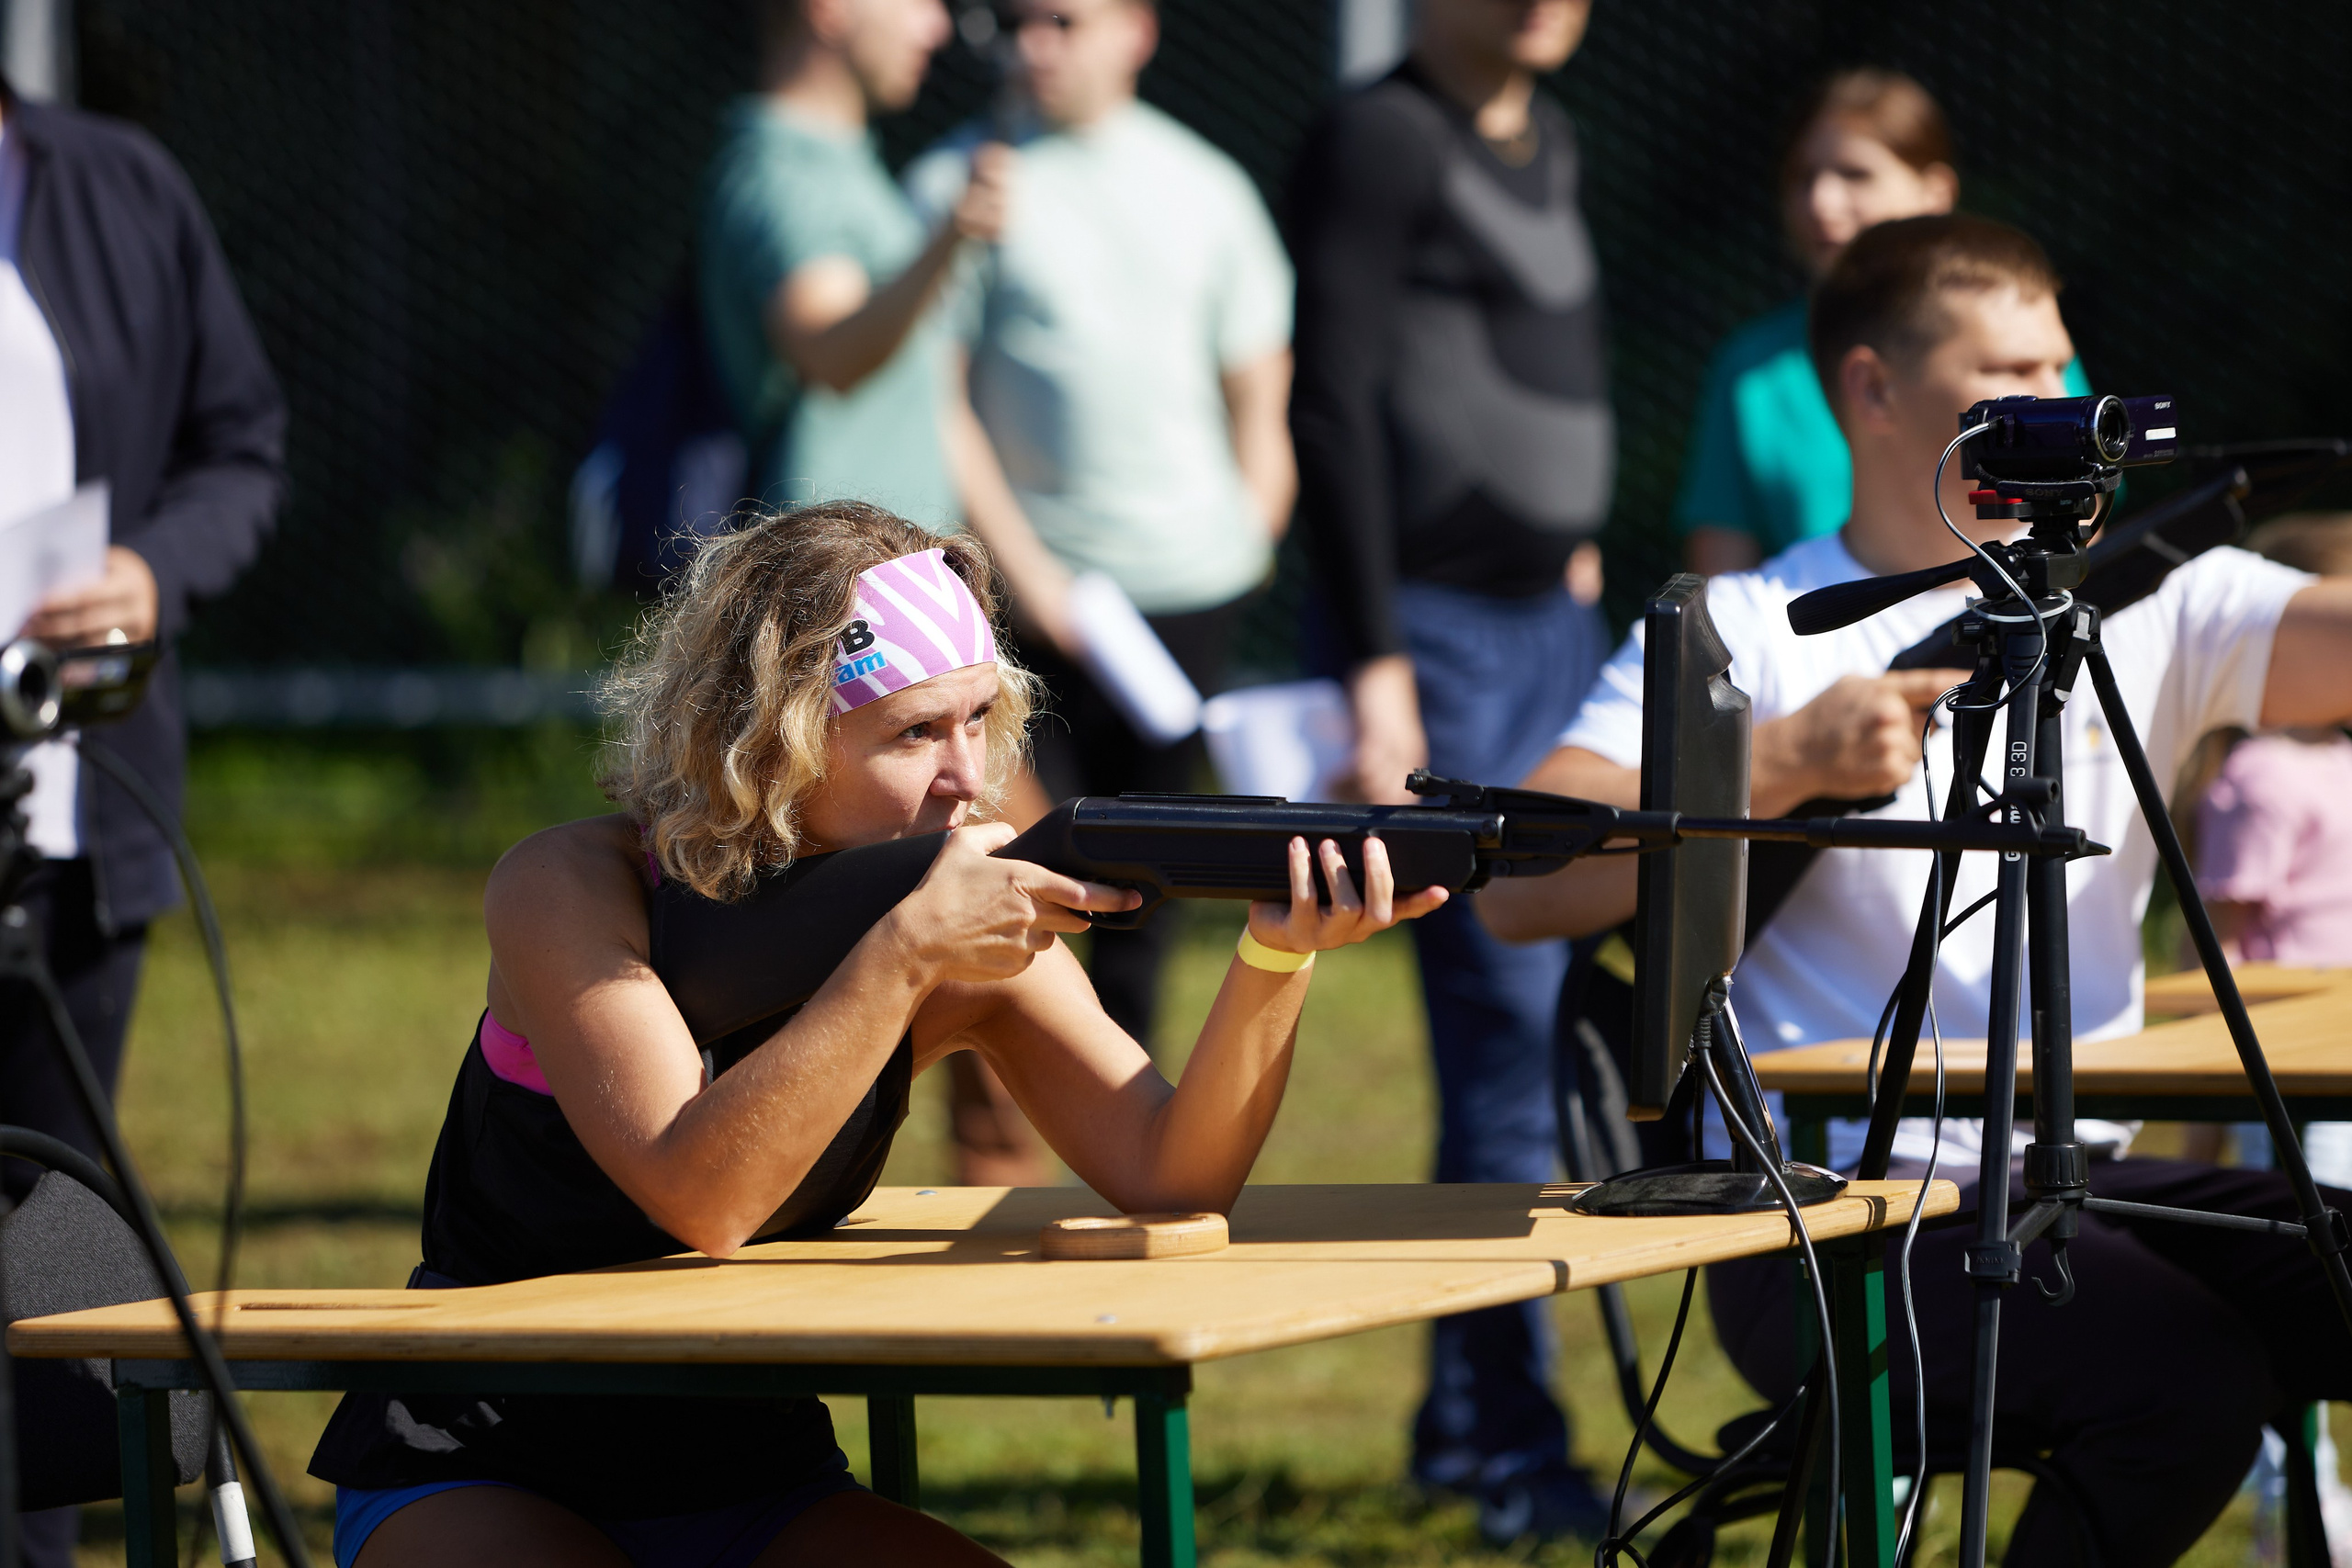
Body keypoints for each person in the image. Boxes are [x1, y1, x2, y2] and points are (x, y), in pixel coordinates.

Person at [306, 502, 1443, 1568]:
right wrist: (898, 957)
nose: (967, 778)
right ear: (773, 743)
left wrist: (1276, 956)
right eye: (912, 734)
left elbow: (1168, 1176)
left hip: (745, 1466)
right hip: (481, 1452)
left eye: (977, 721)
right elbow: (702, 1199)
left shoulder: (951, 910)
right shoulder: (570, 884)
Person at [1483, 212, 2352, 1565]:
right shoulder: (1752, 626)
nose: (2058, 404)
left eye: (2065, 367)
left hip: (2092, 1175)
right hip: (1833, 1217)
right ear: (1874, 389)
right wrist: (1775, 760)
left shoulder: (2147, 590)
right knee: (2188, 1382)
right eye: (2010, 372)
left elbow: (2334, 645)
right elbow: (1520, 888)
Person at [1287, 0, 1612, 1542]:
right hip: (1438, 643)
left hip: (1553, 627)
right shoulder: (1379, 134)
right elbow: (1334, 401)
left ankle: (1455, 1417)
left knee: (1550, 1046)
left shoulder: (1545, 128)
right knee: (1503, 1039)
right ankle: (1509, 1445)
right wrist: (1377, 663)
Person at [901, 0, 1297, 1178]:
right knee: (1010, 881)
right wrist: (1031, 580)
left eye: (1066, 18)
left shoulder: (1207, 187)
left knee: (1144, 894)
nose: (1036, 42)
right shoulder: (959, 187)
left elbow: (1257, 382)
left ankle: (1143, 1153)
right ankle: (996, 1165)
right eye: (1018, 19)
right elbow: (940, 403)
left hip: (1188, 601)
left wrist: (1253, 527)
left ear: (1138, 29)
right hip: (1031, 613)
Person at [0, 78, 285, 1568]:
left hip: (67, 813)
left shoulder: (117, 189)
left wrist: (150, 572)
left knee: (45, 1221)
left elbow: (239, 448)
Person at [1674, 68, 2092, 578]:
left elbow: (2084, 539)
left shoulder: (2022, 335)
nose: (1820, 202)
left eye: (1855, 174)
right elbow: (1716, 592)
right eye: (1803, 176)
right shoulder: (1751, 368)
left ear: (1935, 191)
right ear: (1864, 383)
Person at [699, 0, 1007, 524]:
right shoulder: (786, 176)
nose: (936, 28)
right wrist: (948, 242)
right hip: (830, 585)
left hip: (882, 574)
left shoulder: (839, 163)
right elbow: (833, 356)